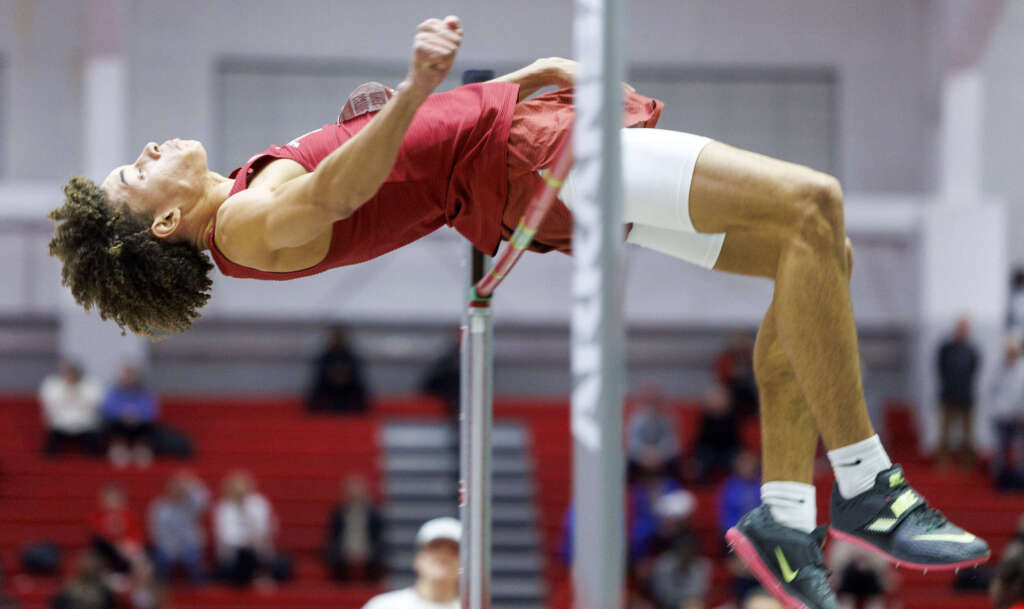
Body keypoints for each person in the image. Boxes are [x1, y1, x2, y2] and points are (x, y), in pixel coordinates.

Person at [49, 15, 989, 608]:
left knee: (820, 256)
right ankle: (868, 482)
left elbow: (394, 165)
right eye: (139, 169)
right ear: (168, 219)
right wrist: (421, 86)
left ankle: (787, 515)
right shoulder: (245, 225)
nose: (151, 145)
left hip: (518, 147)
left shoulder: (245, 190)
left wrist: (489, 88)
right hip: (538, 163)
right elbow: (338, 191)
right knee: (813, 203)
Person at [361, 517, 459, 609]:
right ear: (418, 558)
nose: (443, 556)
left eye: (453, 551)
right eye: (435, 548)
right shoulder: (383, 606)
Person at [213, 471, 278, 587]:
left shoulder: (259, 503)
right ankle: (257, 577)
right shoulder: (223, 507)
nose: (239, 492)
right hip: (234, 556)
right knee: (244, 556)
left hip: (258, 550)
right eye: (236, 489)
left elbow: (265, 527)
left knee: (282, 564)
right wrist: (246, 541)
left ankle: (260, 575)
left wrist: (245, 508)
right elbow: (226, 536)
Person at [148, 471, 209, 584]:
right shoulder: (159, 507)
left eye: (180, 489)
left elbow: (204, 500)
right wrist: (170, 548)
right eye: (175, 488)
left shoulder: (190, 505)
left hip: (188, 545)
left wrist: (191, 484)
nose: (177, 492)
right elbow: (155, 533)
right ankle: (163, 588)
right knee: (161, 559)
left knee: (193, 558)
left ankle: (199, 590)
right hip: (167, 546)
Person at [937, 316, 981, 466]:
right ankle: (943, 461)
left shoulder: (972, 350)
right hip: (948, 395)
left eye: (964, 329)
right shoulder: (946, 349)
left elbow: (974, 369)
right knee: (945, 432)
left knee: (967, 434)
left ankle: (966, 462)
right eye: (960, 328)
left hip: (966, 396)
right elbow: (940, 368)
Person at [325, 475, 384, 582]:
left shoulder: (372, 512)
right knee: (334, 555)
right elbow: (333, 534)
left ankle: (369, 583)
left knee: (378, 556)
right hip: (345, 547)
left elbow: (377, 534)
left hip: (367, 547)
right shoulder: (339, 512)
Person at [38, 361, 104, 456]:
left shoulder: (90, 385)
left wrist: (78, 392)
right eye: (68, 373)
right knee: (51, 446)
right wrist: (67, 391)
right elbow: (51, 404)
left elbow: (94, 404)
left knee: (94, 446)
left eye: (73, 373)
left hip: (84, 423)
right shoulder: (53, 385)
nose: (70, 376)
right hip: (61, 423)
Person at [102, 364, 159, 468]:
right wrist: (122, 414)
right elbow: (108, 408)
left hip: (139, 424)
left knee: (149, 427)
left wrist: (137, 415)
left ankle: (142, 449)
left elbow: (151, 411)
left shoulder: (144, 392)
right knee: (111, 425)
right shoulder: (114, 391)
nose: (128, 379)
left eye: (131, 376)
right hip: (120, 423)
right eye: (126, 376)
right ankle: (118, 448)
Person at [307, 325, 370, 414]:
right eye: (335, 337)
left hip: (348, 396)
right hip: (328, 395)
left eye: (340, 337)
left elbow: (358, 381)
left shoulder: (352, 358)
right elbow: (318, 382)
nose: (337, 339)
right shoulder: (324, 358)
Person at [989, 333, 1024, 489]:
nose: (1010, 352)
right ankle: (1000, 481)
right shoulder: (998, 367)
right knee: (1000, 450)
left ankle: (1019, 480)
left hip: (1019, 417)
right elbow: (992, 389)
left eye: (1013, 349)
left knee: (1019, 450)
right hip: (1001, 416)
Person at [626, 383, 681, 479]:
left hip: (661, 457)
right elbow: (632, 442)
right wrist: (644, 454)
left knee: (677, 465)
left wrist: (658, 454)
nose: (652, 404)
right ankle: (632, 492)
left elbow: (672, 444)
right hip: (641, 457)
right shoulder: (636, 418)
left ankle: (671, 492)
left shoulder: (668, 418)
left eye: (655, 400)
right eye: (649, 400)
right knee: (626, 466)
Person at [693, 382, 742, 483]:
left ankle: (734, 485)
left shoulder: (733, 418)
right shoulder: (705, 418)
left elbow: (736, 441)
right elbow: (701, 440)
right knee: (701, 459)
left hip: (728, 452)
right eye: (714, 398)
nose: (717, 400)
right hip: (709, 453)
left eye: (720, 397)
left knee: (738, 459)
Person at [649, 531, 711, 609]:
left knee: (695, 605)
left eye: (689, 549)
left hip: (688, 604)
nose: (686, 552)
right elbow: (659, 592)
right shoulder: (664, 563)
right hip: (664, 605)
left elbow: (699, 593)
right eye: (683, 549)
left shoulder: (702, 565)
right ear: (676, 550)